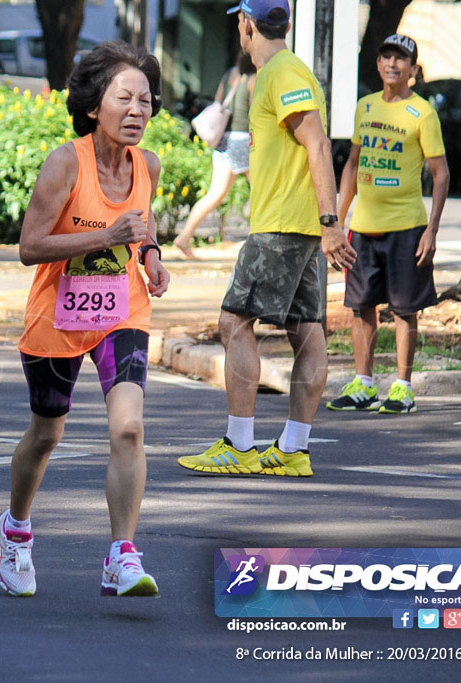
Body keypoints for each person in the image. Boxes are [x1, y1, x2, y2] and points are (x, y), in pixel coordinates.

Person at [0, 41, 170, 598]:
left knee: (129, 427)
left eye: (146, 99)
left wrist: (151, 256)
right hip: (58, 315)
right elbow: (30, 246)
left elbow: (144, 227)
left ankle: (122, 554)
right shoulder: (65, 163)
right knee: (46, 434)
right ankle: (15, 531)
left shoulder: (149, 166)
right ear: (95, 105)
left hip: (122, 310)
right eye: (125, 98)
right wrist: (106, 236)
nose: (138, 110)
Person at [177, 0, 355, 478]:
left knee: (234, 322)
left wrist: (331, 220)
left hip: (283, 224)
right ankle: (293, 449)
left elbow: (317, 143)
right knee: (306, 330)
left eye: (239, 20)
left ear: (246, 24)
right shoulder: (283, 71)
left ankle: (239, 444)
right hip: (300, 225)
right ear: (288, 24)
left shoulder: (282, 72)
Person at [327, 34, 449, 415]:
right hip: (363, 228)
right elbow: (352, 163)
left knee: (403, 310)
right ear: (378, 64)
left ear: (413, 70)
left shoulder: (422, 114)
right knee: (360, 306)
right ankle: (363, 383)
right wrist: (337, 218)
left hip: (407, 227)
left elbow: (440, 174)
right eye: (386, 57)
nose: (393, 64)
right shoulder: (365, 107)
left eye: (401, 59)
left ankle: (402, 386)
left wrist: (432, 229)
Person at [174, 53, 256, 259]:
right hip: (243, 139)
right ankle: (258, 241)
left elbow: (218, 103)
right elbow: (257, 112)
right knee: (260, 192)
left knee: (215, 194)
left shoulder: (230, 74)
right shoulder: (254, 77)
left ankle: (184, 237)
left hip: (223, 139)